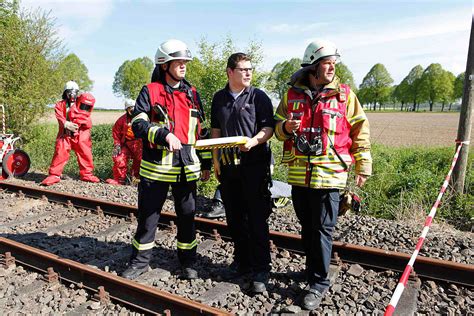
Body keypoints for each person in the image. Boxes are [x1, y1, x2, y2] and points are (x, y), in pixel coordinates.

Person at [274, 39, 372, 310]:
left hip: (329, 176)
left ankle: (318, 283)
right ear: (313, 67)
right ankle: (311, 271)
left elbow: (359, 131)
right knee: (307, 228)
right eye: (327, 63)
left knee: (322, 231)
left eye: (333, 63)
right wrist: (285, 127)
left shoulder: (344, 95)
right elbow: (276, 125)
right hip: (299, 175)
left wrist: (364, 165)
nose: (332, 68)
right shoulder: (291, 95)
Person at [121, 39, 211, 280]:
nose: (183, 66)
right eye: (178, 62)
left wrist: (207, 163)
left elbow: (200, 130)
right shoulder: (149, 91)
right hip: (156, 170)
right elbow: (138, 125)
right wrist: (163, 134)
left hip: (187, 170)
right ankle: (140, 263)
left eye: (185, 62)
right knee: (148, 218)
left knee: (187, 219)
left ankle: (188, 262)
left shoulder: (192, 94)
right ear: (164, 64)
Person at [211, 53, 274, 293]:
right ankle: (242, 261)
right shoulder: (219, 98)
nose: (248, 73)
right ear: (229, 72)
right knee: (234, 218)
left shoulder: (259, 97)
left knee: (256, 219)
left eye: (250, 69)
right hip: (228, 168)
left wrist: (254, 141)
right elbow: (215, 130)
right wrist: (216, 159)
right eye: (243, 69)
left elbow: (268, 128)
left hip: (254, 166)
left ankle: (261, 269)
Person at [41, 82, 100, 186]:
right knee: (60, 151)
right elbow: (59, 116)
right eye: (69, 92)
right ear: (65, 93)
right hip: (65, 133)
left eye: (74, 92)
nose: (72, 95)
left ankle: (87, 174)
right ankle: (54, 175)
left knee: (85, 152)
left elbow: (86, 117)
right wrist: (65, 123)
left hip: (81, 133)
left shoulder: (82, 103)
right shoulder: (60, 105)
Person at [105, 99, 142, 185]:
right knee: (118, 158)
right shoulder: (121, 120)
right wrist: (117, 145)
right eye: (130, 108)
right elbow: (116, 133)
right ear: (126, 109)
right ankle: (119, 180)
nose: (132, 110)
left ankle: (136, 180)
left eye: (133, 108)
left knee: (140, 161)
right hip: (126, 144)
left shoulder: (142, 118)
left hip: (139, 145)